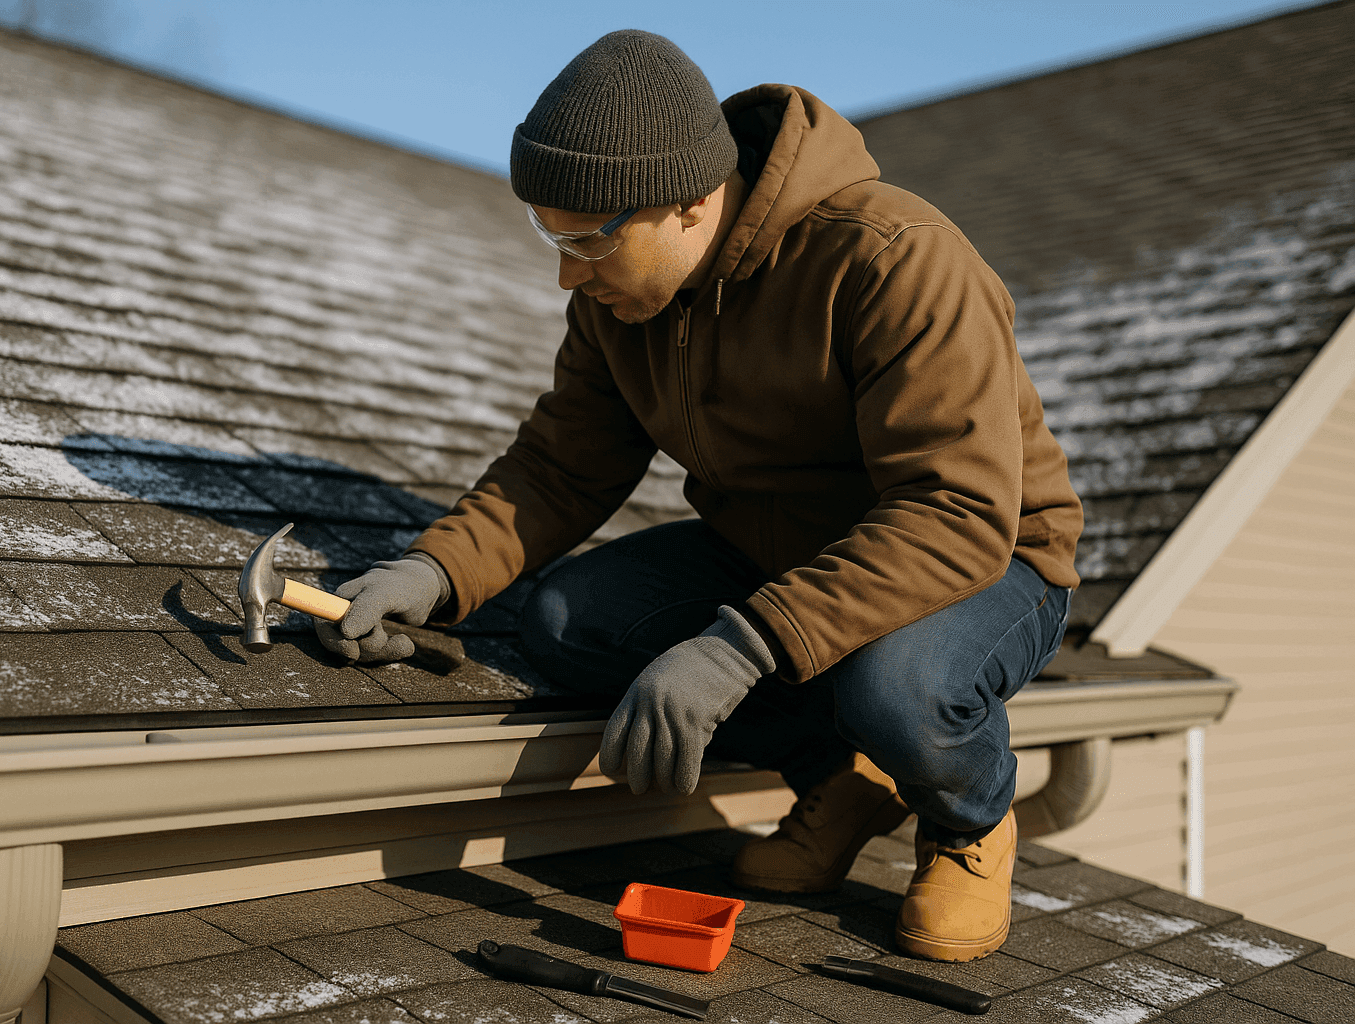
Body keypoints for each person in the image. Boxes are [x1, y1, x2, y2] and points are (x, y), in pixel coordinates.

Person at [318, 29, 1083, 963]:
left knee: (898, 685)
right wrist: (432, 571)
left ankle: (969, 823)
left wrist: (739, 645)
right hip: (783, 555)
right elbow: (563, 465)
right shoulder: (617, 304)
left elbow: (955, 512)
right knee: (566, 620)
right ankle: (837, 779)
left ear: (693, 203)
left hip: (982, 560)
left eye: (588, 239)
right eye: (548, 235)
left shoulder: (894, 260)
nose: (566, 273)